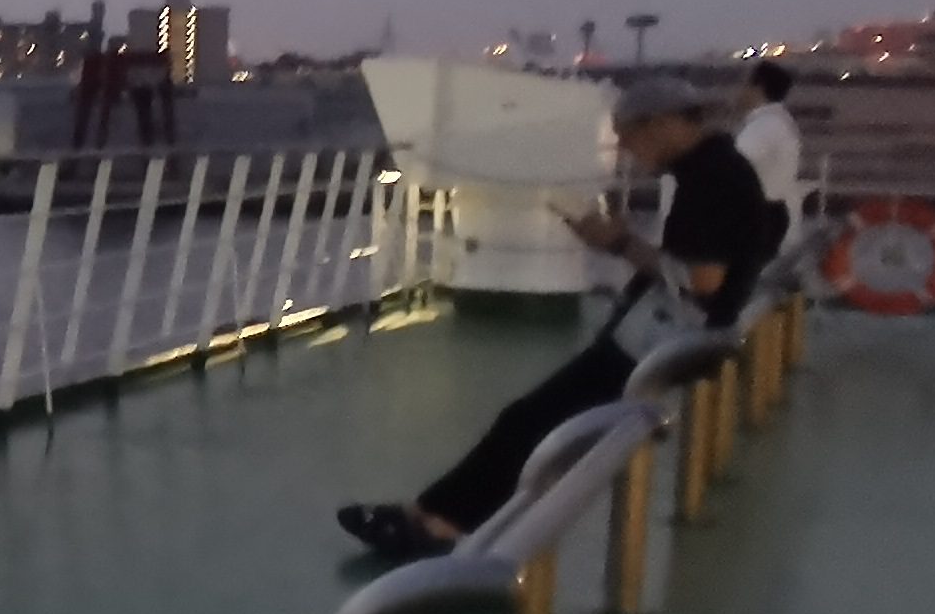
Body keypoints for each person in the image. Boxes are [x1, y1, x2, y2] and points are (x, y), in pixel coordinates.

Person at [339, 79, 784, 559]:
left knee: (529, 422)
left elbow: (702, 280)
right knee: (527, 420)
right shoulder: (720, 169)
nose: (628, 150)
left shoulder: (711, 177)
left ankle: (439, 525)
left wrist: (615, 242)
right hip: (664, 334)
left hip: (664, 340)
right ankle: (433, 516)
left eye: (628, 135)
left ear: (661, 124)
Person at [734, 59, 803, 215]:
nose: (740, 90)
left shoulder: (763, 126)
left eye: (745, 84)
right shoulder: (780, 121)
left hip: (755, 213)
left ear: (757, 89)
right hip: (770, 210)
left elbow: (731, 168)